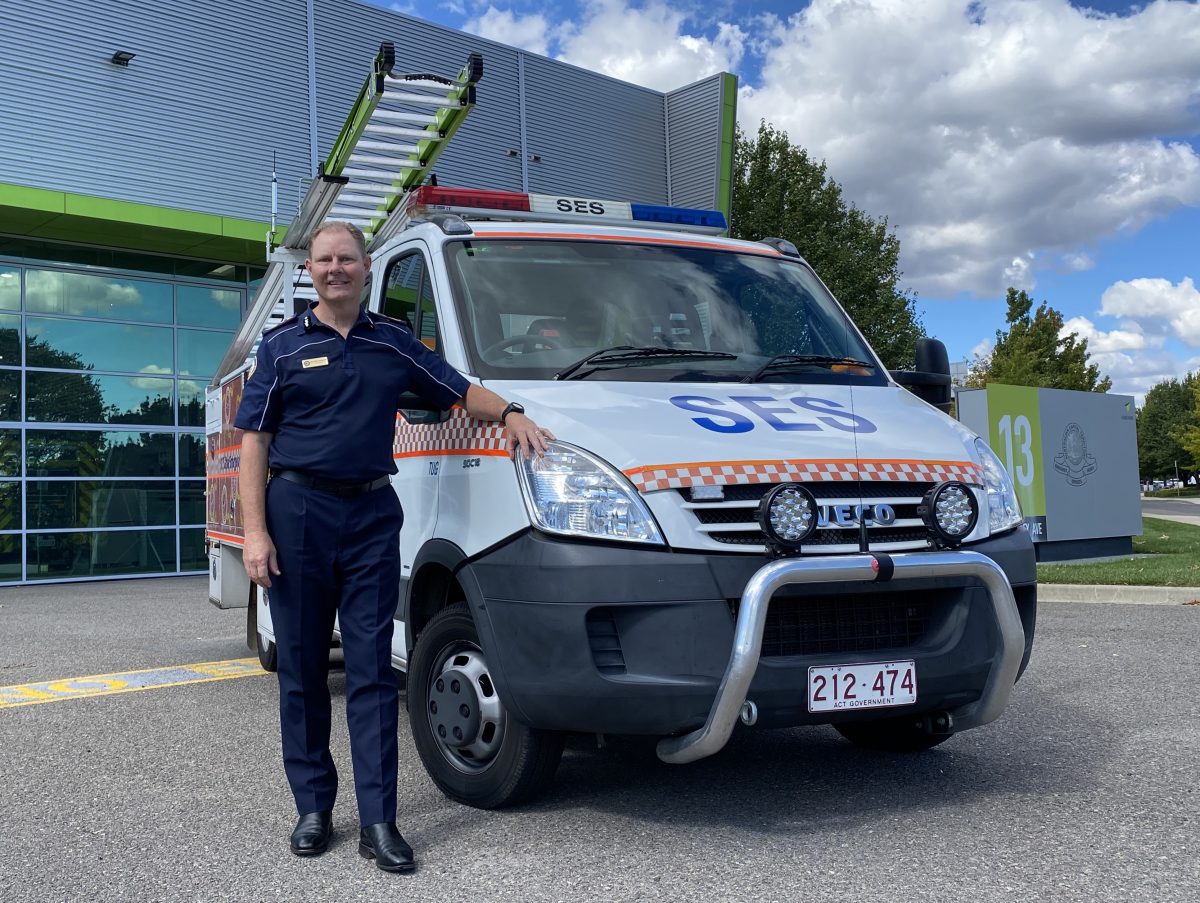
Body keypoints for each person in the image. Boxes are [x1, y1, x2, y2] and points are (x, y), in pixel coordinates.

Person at [236, 221, 552, 873]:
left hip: (372, 515)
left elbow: (460, 388)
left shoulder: (394, 343)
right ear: (312, 271)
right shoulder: (281, 347)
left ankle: (379, 821)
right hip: (296, 513)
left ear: (367, 265)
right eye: (324, 259)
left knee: (375, 673)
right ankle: (314, 808)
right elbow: (254, 445)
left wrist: (514, 411)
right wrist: (256, 532)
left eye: (346, 258)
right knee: (300, 671)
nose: (334, 268)